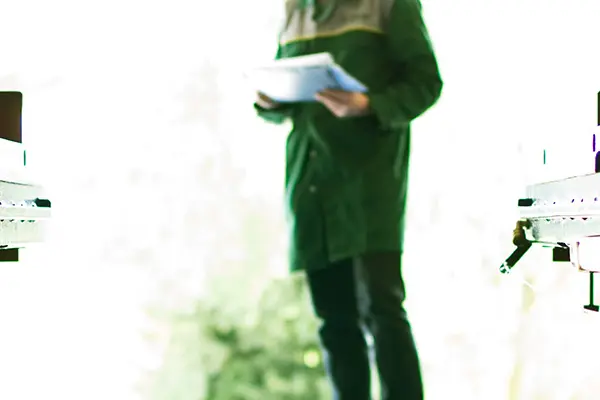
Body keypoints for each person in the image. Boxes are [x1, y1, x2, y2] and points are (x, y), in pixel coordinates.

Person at [254, 0, 442, 399]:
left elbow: (427, 83)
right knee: (333, 320)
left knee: (382, 309)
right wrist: (269, 100)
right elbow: (287, 99)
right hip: (310, 180)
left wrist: (370, 105)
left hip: (368, 181)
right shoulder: (295, 9)